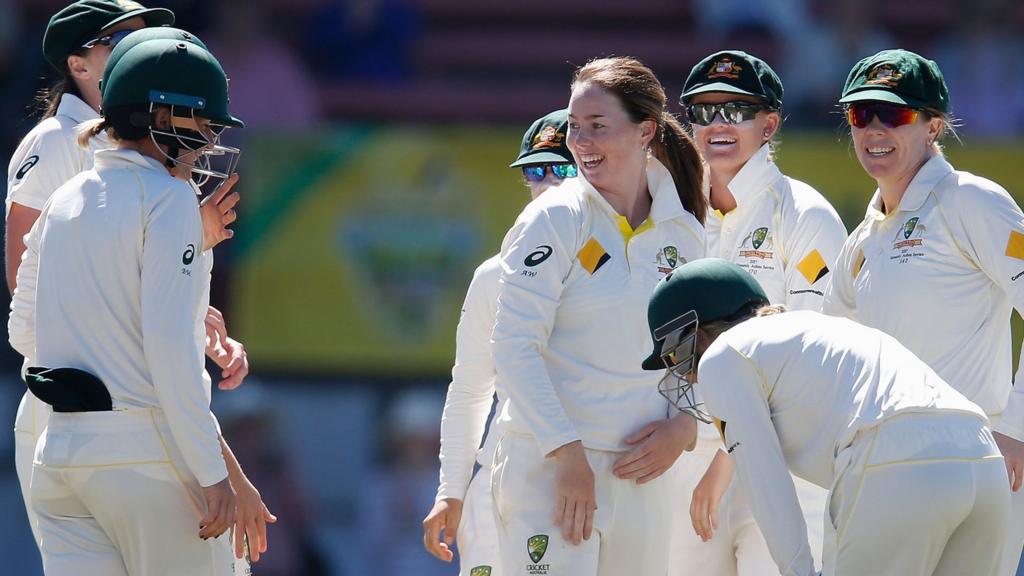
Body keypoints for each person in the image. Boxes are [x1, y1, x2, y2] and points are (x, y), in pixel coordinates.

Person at [7, 37, 271, 575]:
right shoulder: (170, 198)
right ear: (163, 115)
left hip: (59, 460)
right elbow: (173, 354)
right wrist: (215, 474)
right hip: (147, 462)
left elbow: (22, 331)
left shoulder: (68, 195)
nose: (209, 141)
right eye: (204, 123)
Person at [646, 258, 1009, 576]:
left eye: (676, 356)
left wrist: (797, 570)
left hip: (896, 458)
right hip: (982, 454)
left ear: (698, 329)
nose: (683, 374)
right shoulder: (812, 330)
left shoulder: (721, 356)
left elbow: (764, 479)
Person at [489, 56, 706, 575]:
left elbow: (696, 353)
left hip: (643, 479)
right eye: (574, 127)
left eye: (597, 126)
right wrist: (568, 456)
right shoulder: (553, 217)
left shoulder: (686, 231)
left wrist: (686, 426)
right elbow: (513, 346)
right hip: (551, 472)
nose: (580, 142)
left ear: (646, 131)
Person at [822, 48, 1024, 575]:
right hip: (886, 469)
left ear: (934, 125)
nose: (875, 129)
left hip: (980, 462)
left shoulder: (971, 200)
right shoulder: (861, 241)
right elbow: (833, 360)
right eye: (861, 114)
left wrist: (1017, 430)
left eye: (896, 114)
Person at [673, 49, 847, 574]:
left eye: (736, 110)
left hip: (785, 466)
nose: (717, 124)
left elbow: (810, 361)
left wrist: (727, 462)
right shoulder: (675, 218)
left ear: (769, 123)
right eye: (703, 111)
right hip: (685, 460)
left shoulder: (805, 213)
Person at [422, 109, 577, 576]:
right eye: (536, 170)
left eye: (563, 169)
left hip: (601, 470)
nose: (547, 183)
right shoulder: (496, 272)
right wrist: (452, 488)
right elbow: (471, 387)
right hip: (506, 472)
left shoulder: (626, 264)